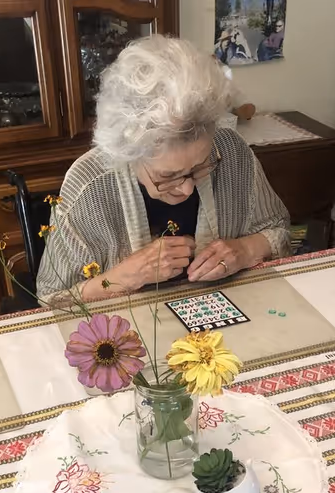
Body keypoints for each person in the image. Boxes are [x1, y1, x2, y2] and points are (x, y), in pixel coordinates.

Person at [36, 35, 290, 303]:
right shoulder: (89, 186)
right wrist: (125, 277)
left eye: (201, 165)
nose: (187, 188)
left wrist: (245, 250)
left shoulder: (231, 152)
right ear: (128, 154)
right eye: (168, 176)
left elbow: (280, 231)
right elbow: (52, 297)